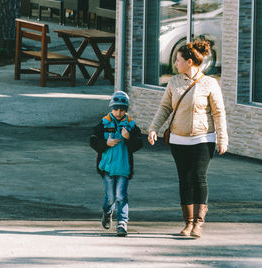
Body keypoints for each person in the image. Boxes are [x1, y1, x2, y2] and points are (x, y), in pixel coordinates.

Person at [148, 40, 228, 238]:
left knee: (198, 178)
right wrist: (153, 128)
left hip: (203, 138)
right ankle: (188, 223)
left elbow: (219, 112)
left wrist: (222, 138)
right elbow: (165, 108)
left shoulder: (209, 84)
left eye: (178, 60)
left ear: (190, 61)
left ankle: (199, 223)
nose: (176, 63)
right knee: (184, 179)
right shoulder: (174, 82)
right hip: (178, 139)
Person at [90, 91, 143, 237]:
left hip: (123, 168)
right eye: (116, 109)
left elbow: (138, 144)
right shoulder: (104, 123)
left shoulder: (131, 125)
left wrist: (128, 138)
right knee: (110, 197)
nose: (119, 112)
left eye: (122, 109)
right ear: (111, 108)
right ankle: (107, 212)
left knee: (121, 195)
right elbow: (93, 141)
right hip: (107, 167)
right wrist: (106, 143)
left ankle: (122, 223)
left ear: (126, 110)